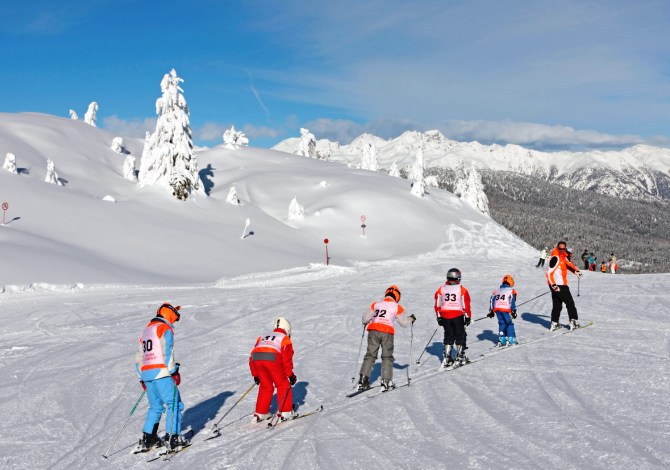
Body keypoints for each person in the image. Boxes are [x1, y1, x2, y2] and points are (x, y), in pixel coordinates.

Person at [135, 303, 187, 451]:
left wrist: (141, 377)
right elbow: (167, 352)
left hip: (147, 374)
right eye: (174, 318)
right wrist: (173, 372)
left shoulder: (146, 331)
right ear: (169, 316)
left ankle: (148, 438)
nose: (174, 322)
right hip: (162, 373)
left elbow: (139, 356)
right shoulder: (165, 329)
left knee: (156, 406)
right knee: (174, 404)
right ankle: (173, 438)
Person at [357, 285, 415, 392]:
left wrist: (366, 322)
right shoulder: (396, 306)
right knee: (387, 356)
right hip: (387, 332)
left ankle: (363, 380)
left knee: (370, 355)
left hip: (373, 330)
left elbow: (365, 318)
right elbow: (404, 323)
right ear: (397, 296)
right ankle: (386, 381)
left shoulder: (376, 304)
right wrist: (411, 318)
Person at [249, 317, 296, 422]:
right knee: (283, 385)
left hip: (257, 359)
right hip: (273, 358)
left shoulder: (262, 337)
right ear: (287, 329)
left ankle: (261, 413)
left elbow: (252, 356)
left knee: (266, 386)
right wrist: (290, 375)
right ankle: (285, 412)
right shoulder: (284, 339)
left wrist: (256, 374)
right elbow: (286, 359)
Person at [434, 269, 472, 367]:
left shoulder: (441, 289)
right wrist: (468, 317)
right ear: (458, 278)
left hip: (445, 315)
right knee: (460, 334)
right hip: (457, 315)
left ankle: (447, 357)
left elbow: (437, 304)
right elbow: (465, 304)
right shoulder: (461, 289)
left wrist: (439, 317)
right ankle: (460, 356)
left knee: (448, 335)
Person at [546, 241, 583, 331]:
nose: (562, 250)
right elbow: (549, 273)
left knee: (557, 305)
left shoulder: (563, 257)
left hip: (558, 285)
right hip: (559, 285)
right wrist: (554, 285)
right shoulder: (556, 258)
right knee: (570, 303)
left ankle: (554, 323)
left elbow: (569, 265)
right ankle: (573, 322)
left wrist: (576, 272)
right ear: (557, 248)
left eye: (563, 249)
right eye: (560, 249)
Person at [487, 274, 518, 346]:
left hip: (497, 309)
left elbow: (492, 299)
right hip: (506, 309)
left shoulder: (497, 290)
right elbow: (512, 301)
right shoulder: (511, 290)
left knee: (502, 323)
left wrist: (491, 310)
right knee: (509, 323)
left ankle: (502, 339)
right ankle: (510, 339)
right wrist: (513, 311)